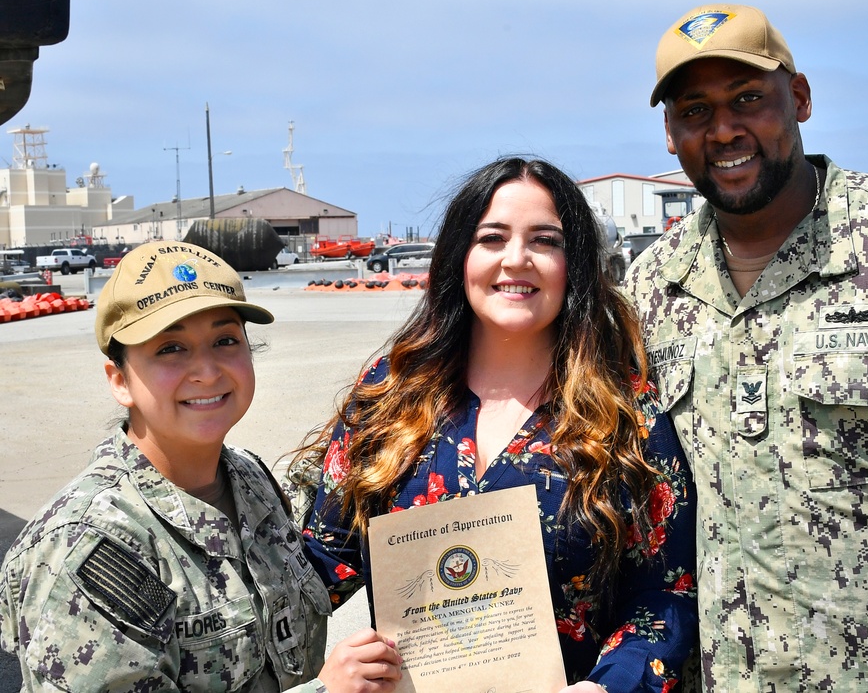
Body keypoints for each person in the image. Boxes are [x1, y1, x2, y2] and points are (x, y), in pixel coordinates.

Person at [627, 2, 868, 691]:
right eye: (695, 111)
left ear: (797, 99)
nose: (724, 130)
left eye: (747, 99)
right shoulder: (650, 288)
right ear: (670, 134)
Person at [291, 157, 698, 691]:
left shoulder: (627, 411)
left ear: (573, 263)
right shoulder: (392, 391)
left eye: (545, 241)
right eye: (492, 238)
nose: (517, 259)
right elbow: (321, 562)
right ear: (460, 256)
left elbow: (665, 594)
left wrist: (610, 685)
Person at [0, 240, 402, 691]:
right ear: (120, 380)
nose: (207, 371)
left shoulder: (249, 479)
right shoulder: (87, 547)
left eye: (225, 340)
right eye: (171, 348)